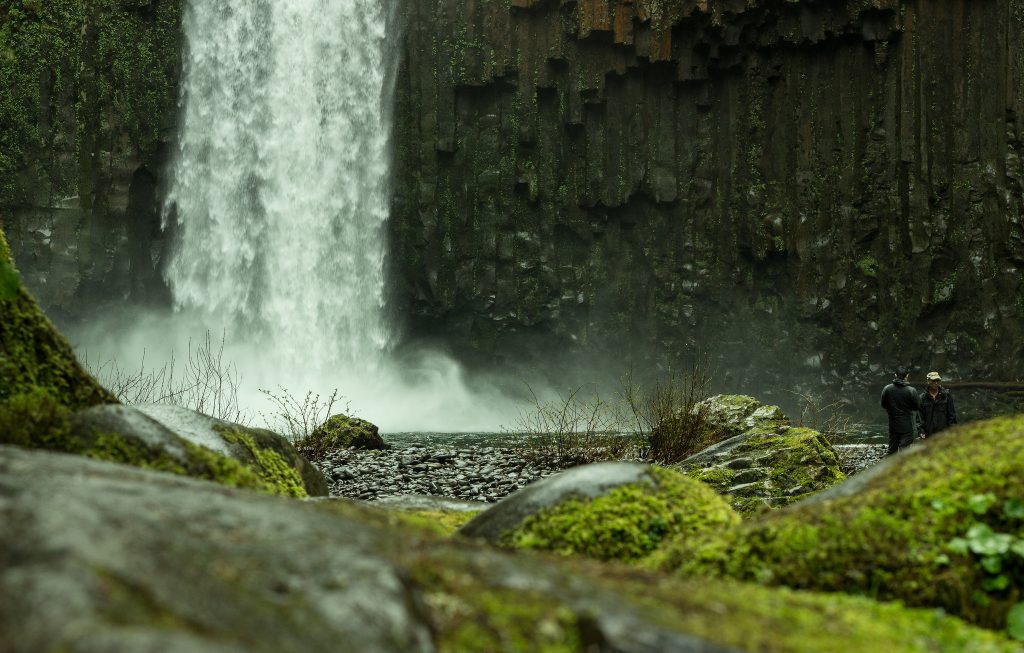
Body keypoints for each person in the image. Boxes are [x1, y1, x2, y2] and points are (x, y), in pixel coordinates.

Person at [880, 366, 922, 456]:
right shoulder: (911, 390)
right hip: (906, 426)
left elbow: (883, 404)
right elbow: (917, 407)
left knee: (892, 451)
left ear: (895, 375)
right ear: (907, 376)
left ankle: (889, 468)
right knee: (904, 453)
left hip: (893, 425)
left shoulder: (887, 389)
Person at [919, 371, 957, 438]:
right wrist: (921, 431)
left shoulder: (946, 395)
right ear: (928, 381)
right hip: (928, 433)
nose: (936, 383)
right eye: (933, 381)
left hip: (944, 433)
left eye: (938, 380)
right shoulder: (922, 398)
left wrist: (952, 430)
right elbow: (920, 417)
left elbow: (952, 415)